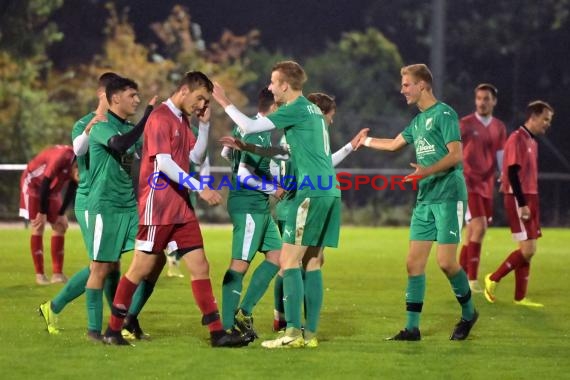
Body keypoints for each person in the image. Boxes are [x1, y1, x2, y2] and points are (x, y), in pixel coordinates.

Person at [102, 71, 250, 348]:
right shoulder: (159, 117)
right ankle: (112, 330)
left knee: (200, 265)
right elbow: (164, 164)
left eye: (206, 101)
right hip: (157, 207)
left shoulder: (183, 120)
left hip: (180, 208)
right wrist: (199, 187)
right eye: (200, 99)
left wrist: (205, 127)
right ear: (184, 90)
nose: (202, 105)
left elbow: (195, 157)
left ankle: (217, 333)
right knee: (141, 268)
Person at [213, 60, 342, 349]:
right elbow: (284, 150)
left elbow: (247, 124)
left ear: (285, 84)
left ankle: (292, 332)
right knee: (312, 261)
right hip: (329, 191)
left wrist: (223, 100)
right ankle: (310, 335)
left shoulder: (295, 107)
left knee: (287, 261)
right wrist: (250, 148)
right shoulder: (312, 111)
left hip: (309, 191)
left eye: (273, 82)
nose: (270, 87)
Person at [356, 64, 478, 341]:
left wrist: (426, 170)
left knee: (447, 263)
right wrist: (363, 142)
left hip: (448, 195)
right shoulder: (417, 122)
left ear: (422, 85)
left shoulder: (444, 114)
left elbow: (456, 155)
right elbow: (393, 144)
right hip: (425, 197)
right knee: (413, 264)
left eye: (407, 85)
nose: (402, 90)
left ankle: (469, 313)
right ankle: (412, 329)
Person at [38, 73, 157, 338]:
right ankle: (92, 323)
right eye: (108, 94)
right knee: (100, 265)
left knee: (116, 263)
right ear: (103, 94)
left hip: (121, 201)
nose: (134, 100)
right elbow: (80, 152)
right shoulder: (87, 124)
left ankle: (118, 321)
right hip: (93, 201)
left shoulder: (122, 124)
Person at [270, 92, 368, 340]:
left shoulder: (301, 133)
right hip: (318, 196)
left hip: (303, 201)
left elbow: (300, 165)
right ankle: (304, 330)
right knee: (309, 262)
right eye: (330, 116)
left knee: (289, 262)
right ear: (318, 112)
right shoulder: (305, 130)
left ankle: (288, 326)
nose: (331, 122)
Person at [83, 76, 153, 341]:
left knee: (146, 261)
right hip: (105, 206)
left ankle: (127, 320)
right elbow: (120, 144)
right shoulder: (101, 126)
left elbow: (143, 153)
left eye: (138, 96)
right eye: (132, 95)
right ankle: (93, 330)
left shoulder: (127, 126)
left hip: (128, 205)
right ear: (115, 99)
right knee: (100, 268)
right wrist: (147, 117)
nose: (137, 100)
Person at [219, 87, 285, 342]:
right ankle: (225, 326)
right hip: (248, 206)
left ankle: (244, 312)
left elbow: (227, 153)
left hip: (259, 207)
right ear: (275, 107)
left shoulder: (253, 130)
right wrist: (272, 188)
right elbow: (244, 175)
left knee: (276, 257)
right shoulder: (258, 135)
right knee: (240, 264)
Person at [484, 101, 554, 308]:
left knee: (528, 248)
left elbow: (512, 170)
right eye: (546, 119)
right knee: (528, 249)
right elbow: (513, 172)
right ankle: (493, 278)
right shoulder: (517, 138)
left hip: (531, 196)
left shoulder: (533, 142)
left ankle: (520, 297)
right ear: (533, 116)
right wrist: (522, 203)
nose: (548, 124)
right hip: (519, 198)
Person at [458, 83, 507, 293]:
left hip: (487, 185)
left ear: (494, 101)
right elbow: (453, 149)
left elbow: (500, 155)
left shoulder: (499, 127)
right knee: (479, 228)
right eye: (479, 98)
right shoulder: (466, 124)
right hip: (468, 182)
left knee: (472, 232)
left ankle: (458, 273)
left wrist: (504, 173)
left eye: (486, 99)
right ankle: (471, 280)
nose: (482, 102)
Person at [19, 145, 78, 285]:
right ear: (76, 166)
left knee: (60, 226)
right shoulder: (62, 157)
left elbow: (74, 185)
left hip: (51, 189)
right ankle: (40, 275)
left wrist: (62, 213)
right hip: (33, 184)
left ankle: (57, 274)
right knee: (38, 225)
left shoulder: (82, 162)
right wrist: (42, 212)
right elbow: (45, 182)